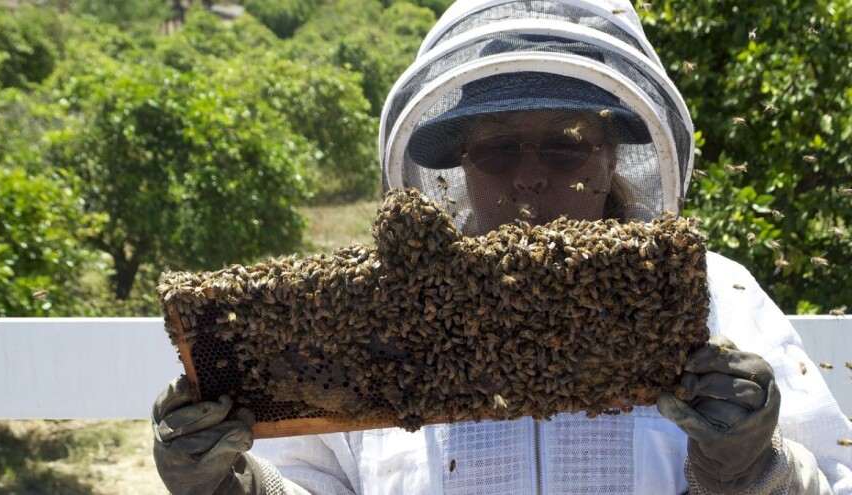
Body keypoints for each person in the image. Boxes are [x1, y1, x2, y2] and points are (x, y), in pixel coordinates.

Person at [152, 1, 852, 493]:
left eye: (564, 146)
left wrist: (753, 469)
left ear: (610, 157)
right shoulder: (377, 313)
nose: (530, 175)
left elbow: (831, 479)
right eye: (497, 148)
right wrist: (236, 486)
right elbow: (315, 482)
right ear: (460, 165)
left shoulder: (719, 297)